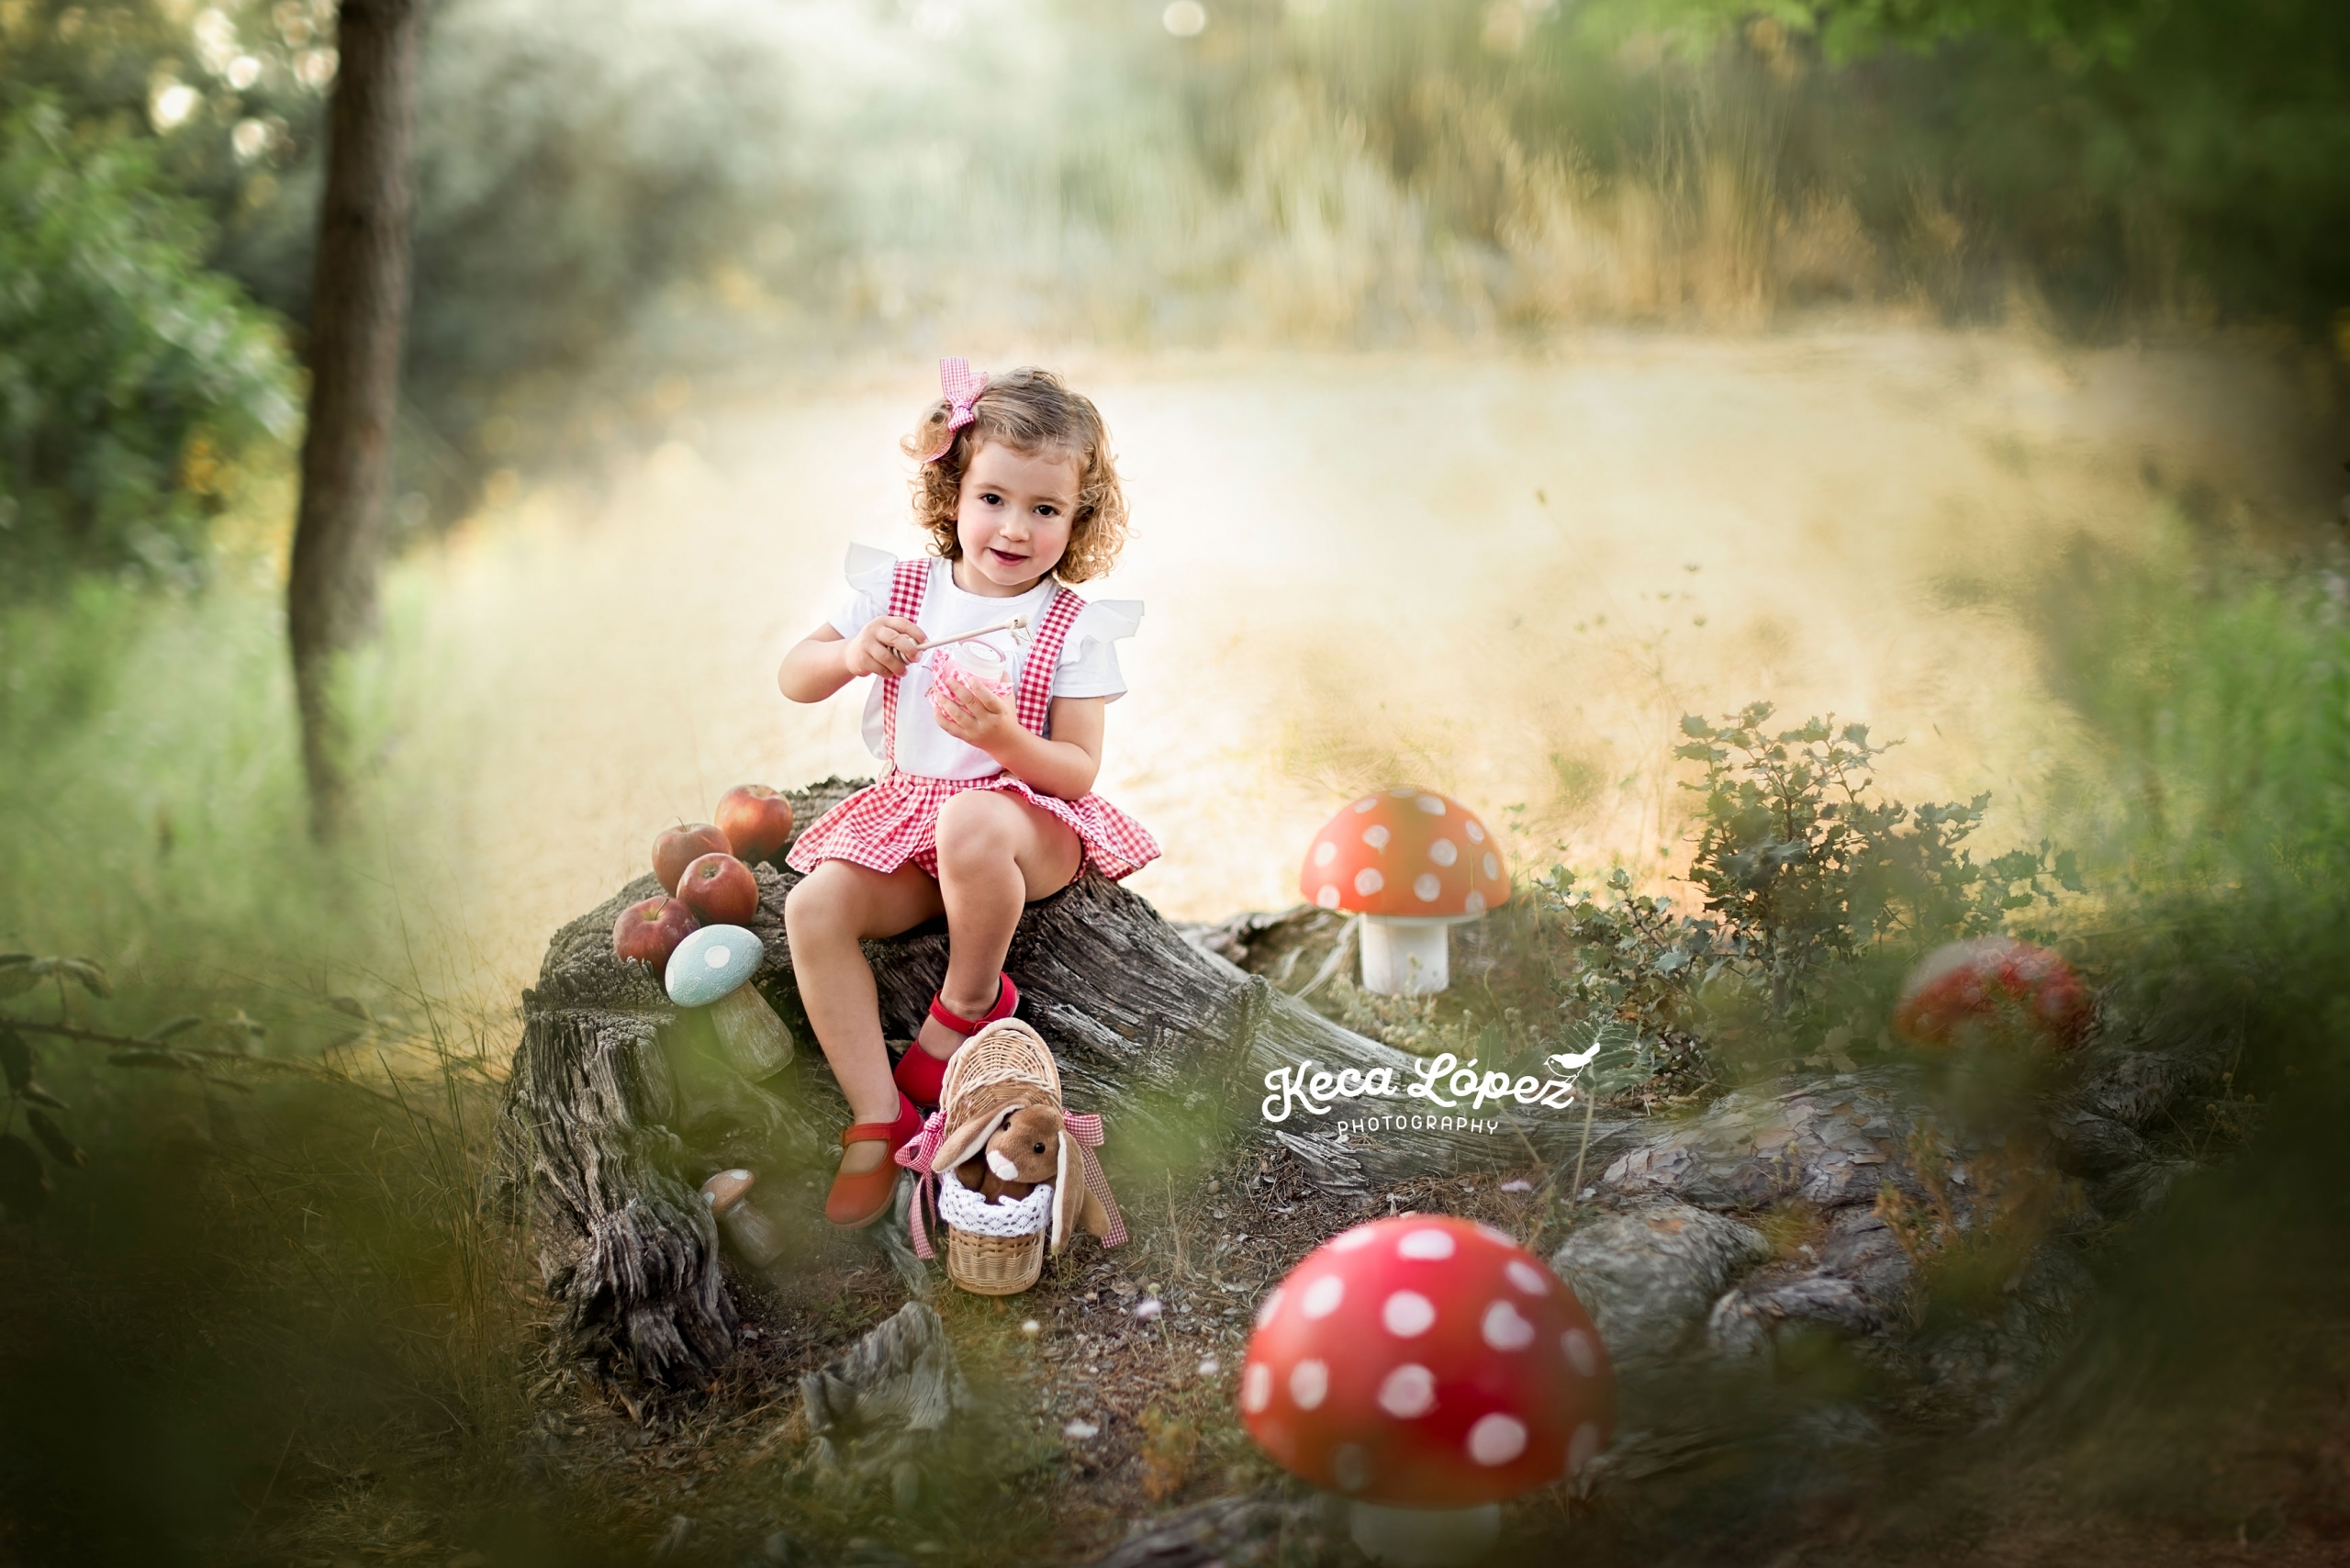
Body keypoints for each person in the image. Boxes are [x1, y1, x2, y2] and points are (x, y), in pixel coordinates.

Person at [776, 360, 1158, 1227]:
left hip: (1028, 829)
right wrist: (850, 653)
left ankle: (973, 995)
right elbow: (795, 675)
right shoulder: (898, 590)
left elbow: (1076, 769)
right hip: (918, 823)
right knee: (816, 907)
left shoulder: (1072, 626)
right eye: (993, 498)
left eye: (1045, 509)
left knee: (973, 815)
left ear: (1079, 519)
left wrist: (1002, 741)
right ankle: (879, 1116)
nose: (1014, 528)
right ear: (953, 490)